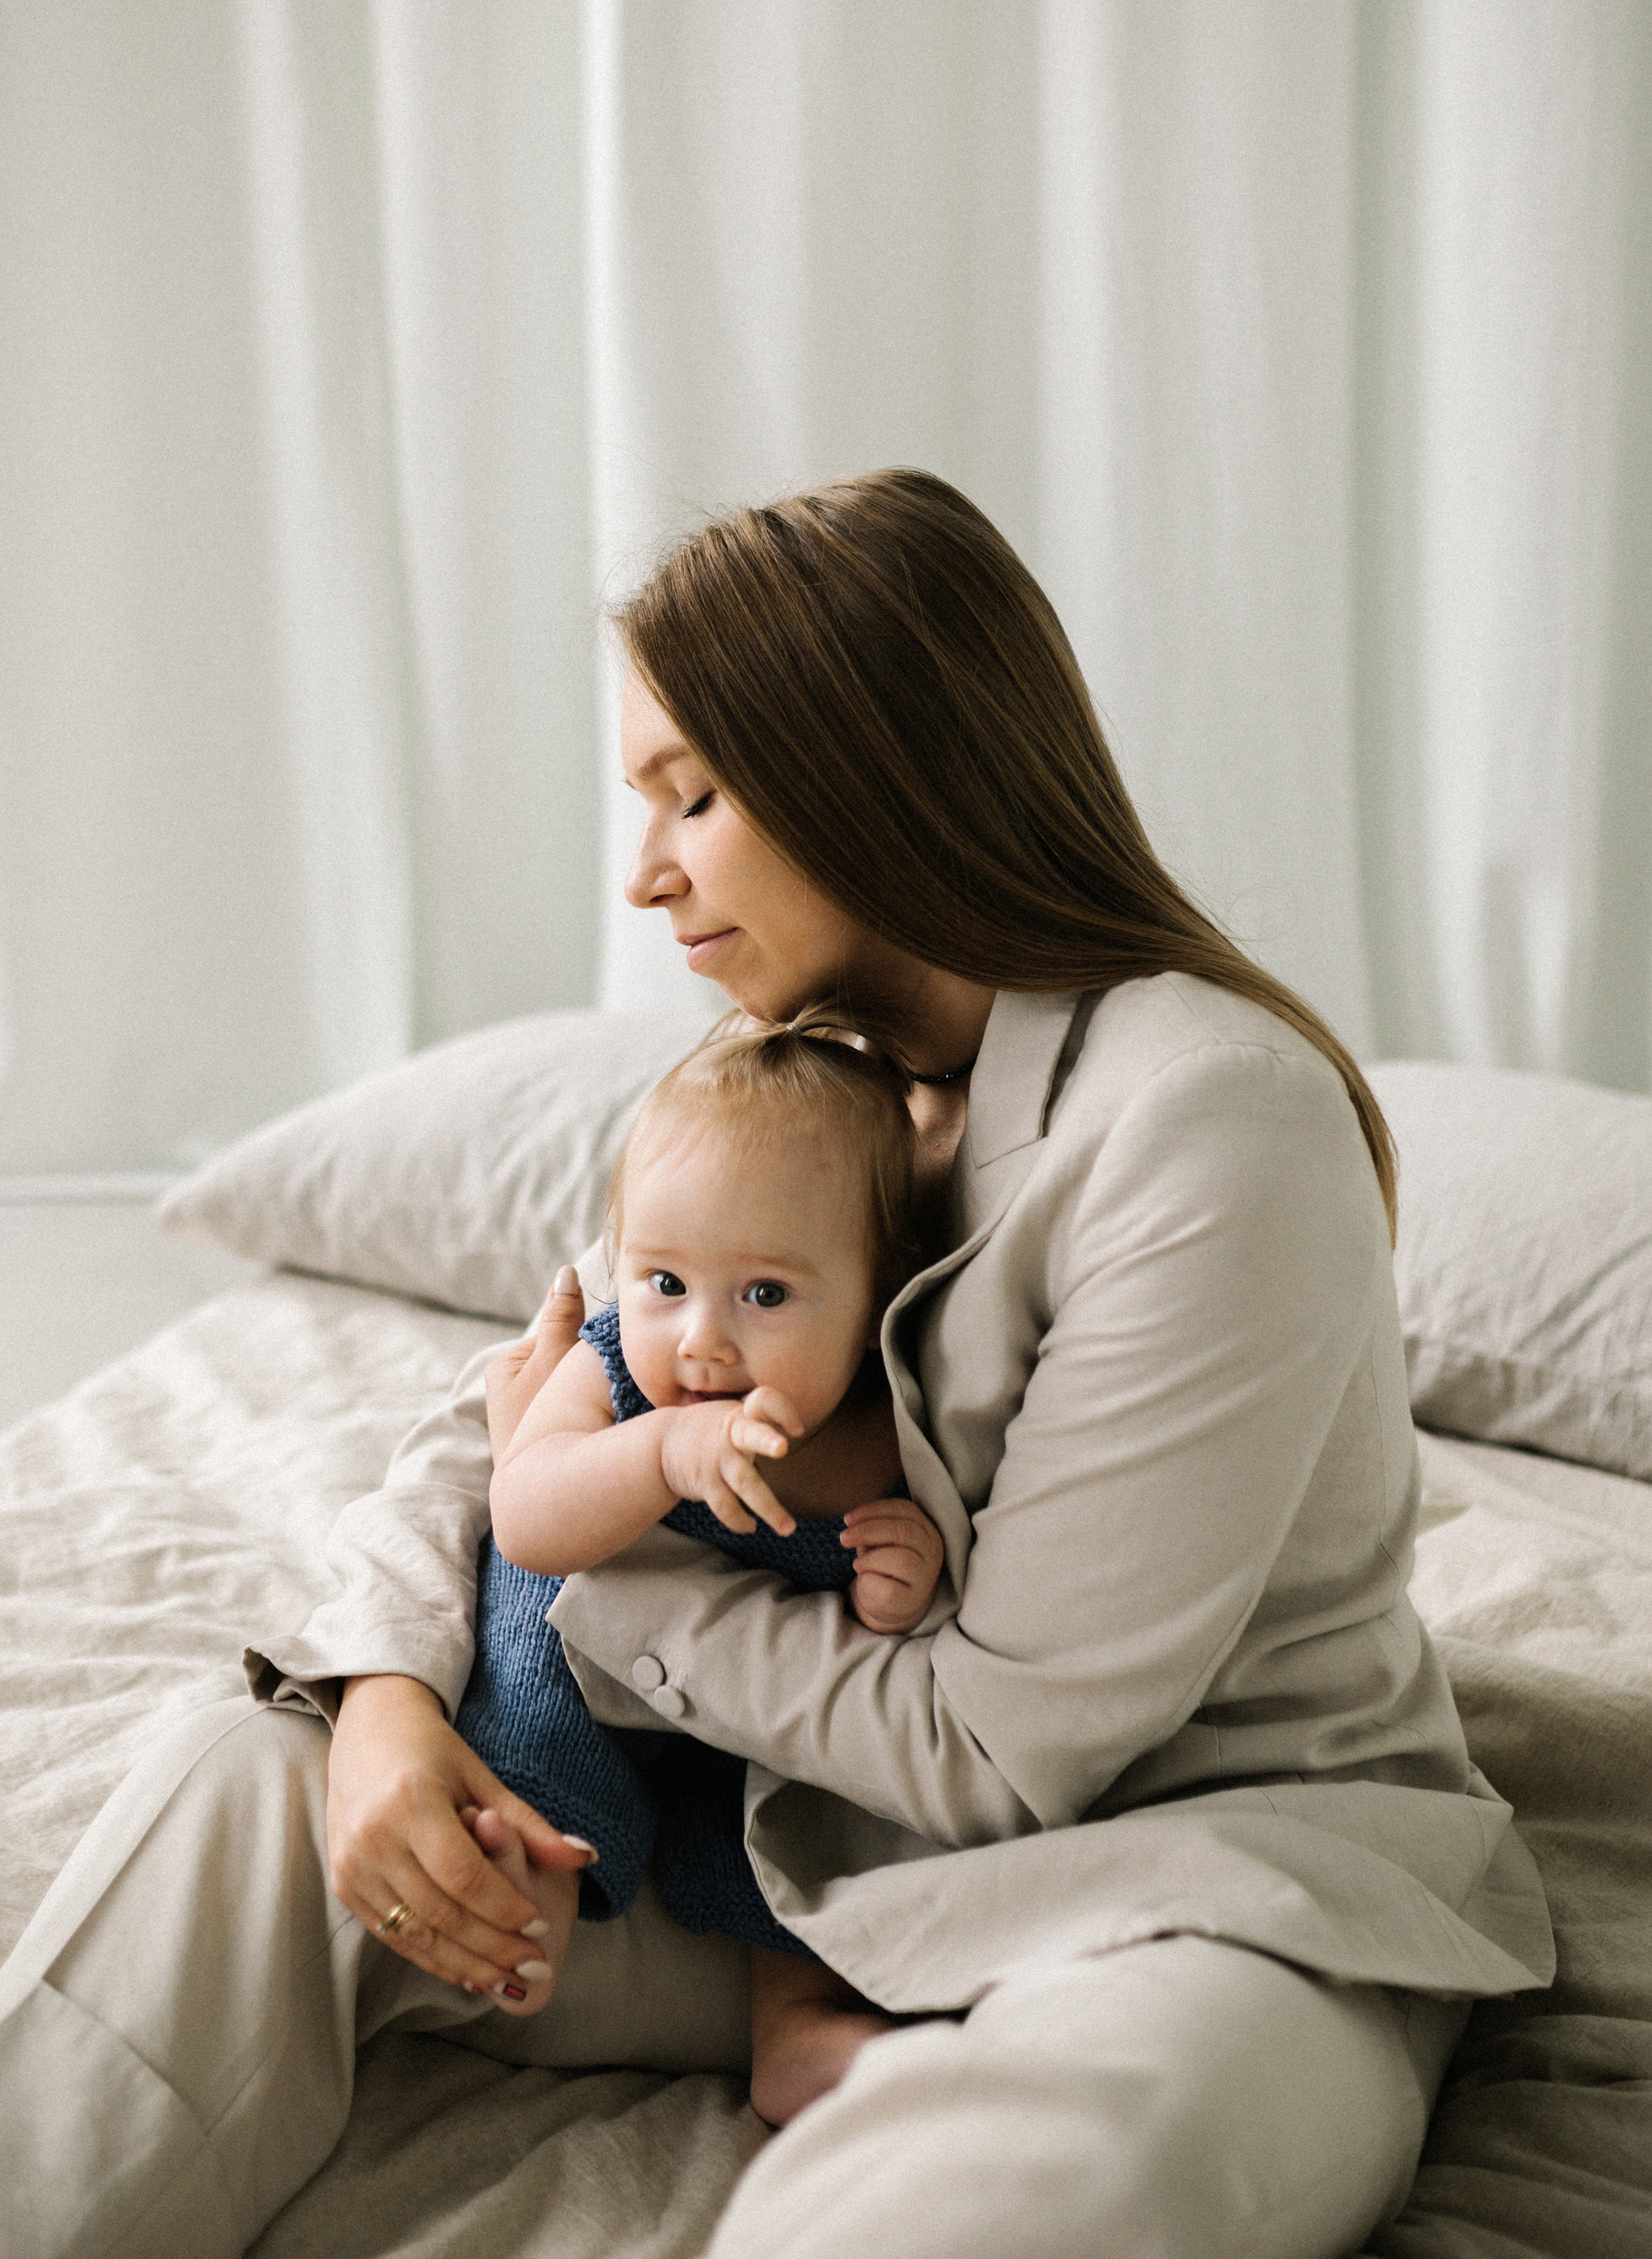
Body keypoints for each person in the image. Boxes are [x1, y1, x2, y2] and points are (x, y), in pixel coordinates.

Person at [0, 467, 1552, 2259]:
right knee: (246, 1790)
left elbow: (996, 1751)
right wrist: (385, 1707)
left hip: (1173, 1888)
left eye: (694, 796)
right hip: (772, 1873)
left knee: (1056, 2163)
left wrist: (591, 1581)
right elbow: (523, 1404)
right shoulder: (800, 1075)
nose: (645, 870)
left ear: (870, 769)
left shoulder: (1207, 1125)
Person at [454, 1018, 947, 2122]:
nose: (701, 1342)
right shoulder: (620, 1373)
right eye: (665, 1280)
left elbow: (930, 1590)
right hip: (591, 1657)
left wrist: (905, 1578)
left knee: (813, 1831)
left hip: (756, 1729)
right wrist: (657, 1453)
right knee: (528, 1695)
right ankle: (527, 1884)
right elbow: (528, 1514)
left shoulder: (896, 1427)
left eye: (765, 1295)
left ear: (880, 1298)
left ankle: (797, 2039)